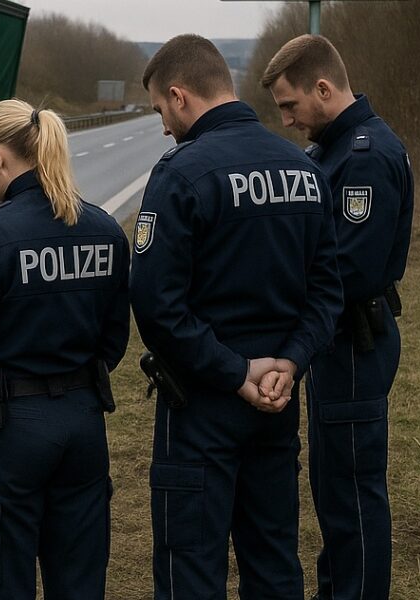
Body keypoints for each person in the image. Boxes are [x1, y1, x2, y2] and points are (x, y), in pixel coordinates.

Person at [129, 34, 343, 599]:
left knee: (190, 568)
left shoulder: (180, 174)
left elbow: (157, 306)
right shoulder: (304, 169)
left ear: (179, 97)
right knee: (273, 559)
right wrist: (291, 364)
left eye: (160, 111)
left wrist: (232, 373)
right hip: (278, 398)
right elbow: (327, 295)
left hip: (202, 403)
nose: (164, 127)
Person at [0, 98, 130, 600]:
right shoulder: (104, 229)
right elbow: (114, 339)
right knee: (80, 581)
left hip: (8, 430)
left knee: (1, 580)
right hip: (84, 424)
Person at [262, 35, 414, 600]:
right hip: (337, 342)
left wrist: (277, 303)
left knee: (351, 493)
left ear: (323, 89)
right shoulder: (336, 150)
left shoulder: (364, 158)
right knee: (333, 490)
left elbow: (347, 271)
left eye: (290, 105)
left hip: (354, 340)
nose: (286, 120)